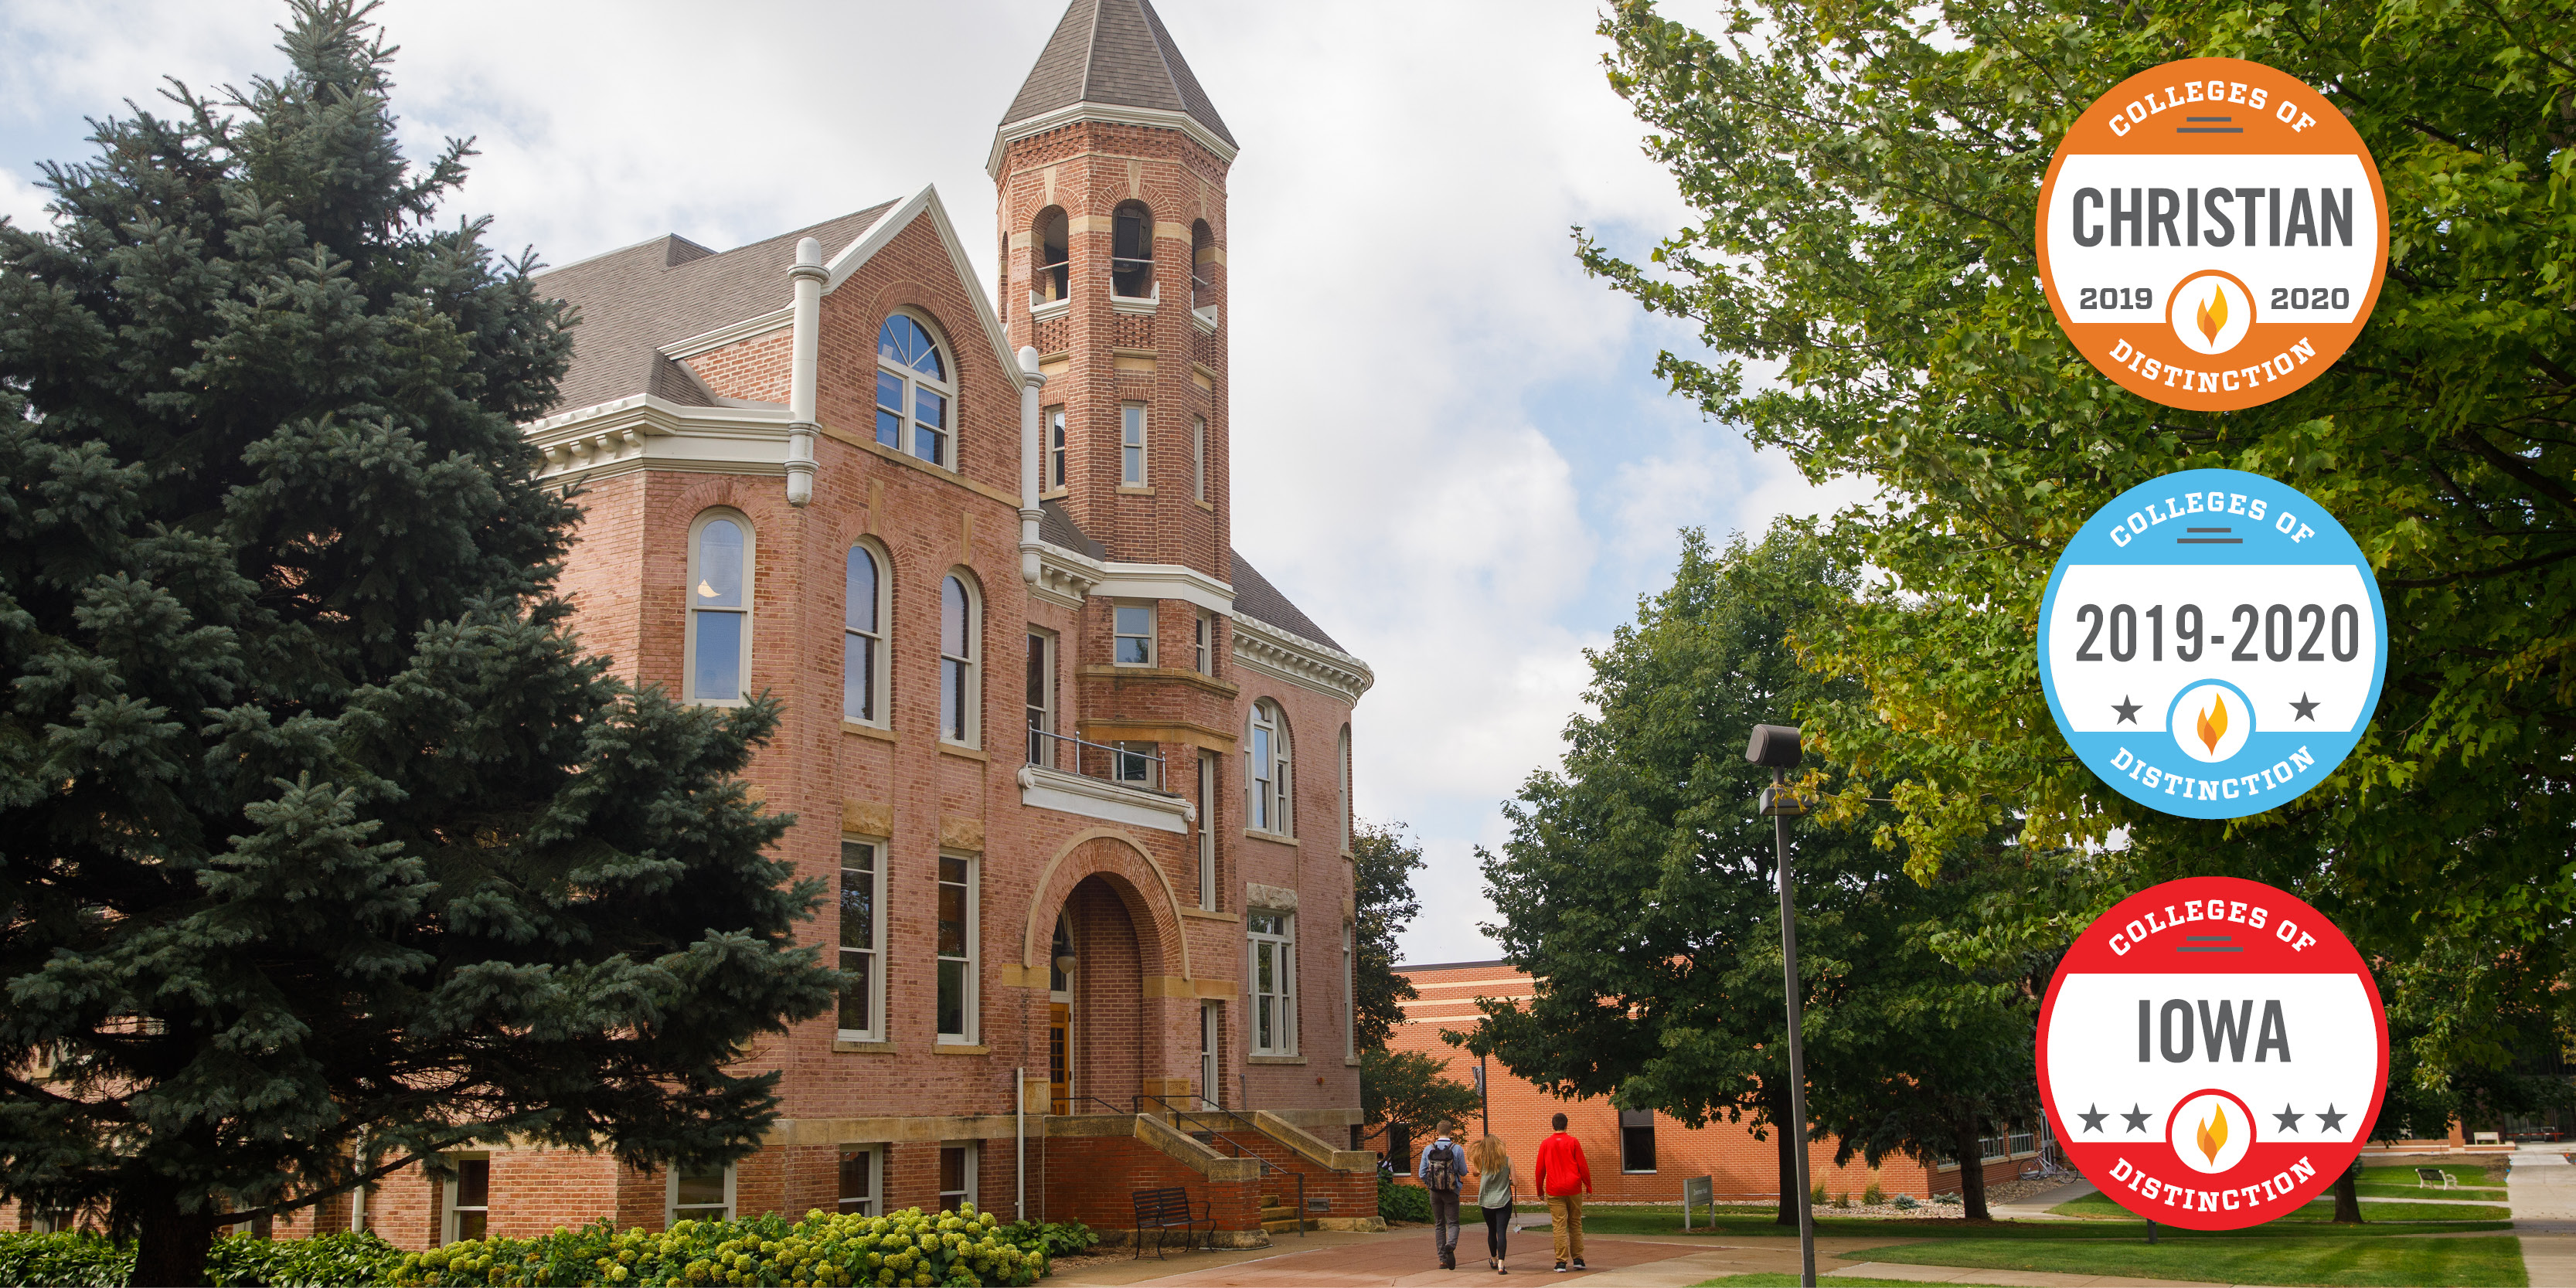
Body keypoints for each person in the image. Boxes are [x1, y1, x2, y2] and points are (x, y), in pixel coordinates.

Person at [1532, 1113, 1591, 1273]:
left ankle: (1561, 1262)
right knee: (1575, 1222)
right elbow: (1582, 1165)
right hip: (1573, 1187)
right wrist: (1588, 1186)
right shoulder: (1573, 1142)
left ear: (1553, 1126)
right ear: (1566, 1125)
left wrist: (1539, 1190)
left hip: (1554, 1189)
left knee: (1559, 1224)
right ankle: (1578, 1258)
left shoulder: (1546, 1144)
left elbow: (1540, 1170)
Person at [1417, 1123, 1468, 1269]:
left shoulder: (1429, 1149)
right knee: (1453, 1223)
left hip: (1435, 1193)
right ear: (1451, 1131)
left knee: (1439, 1224)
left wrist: (1431, 1184)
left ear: (1437, 1131)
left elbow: (1421, 1173)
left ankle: (1442, 1260)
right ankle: (1451, 1244)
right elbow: (1463, 1172)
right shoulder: (1457, 1149)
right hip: (1451, 1191)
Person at [1470, 1133, 1516, 1274]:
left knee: (1491, 1230)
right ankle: (1502, 1264)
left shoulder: (1482, 1161)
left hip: (1487, 1202)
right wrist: (1506, 1181)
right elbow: (1516, 1182)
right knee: (1501, 1232)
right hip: (1504, 1201)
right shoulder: (1508, 1160)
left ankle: (1494, 1259)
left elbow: (1475, 1173)